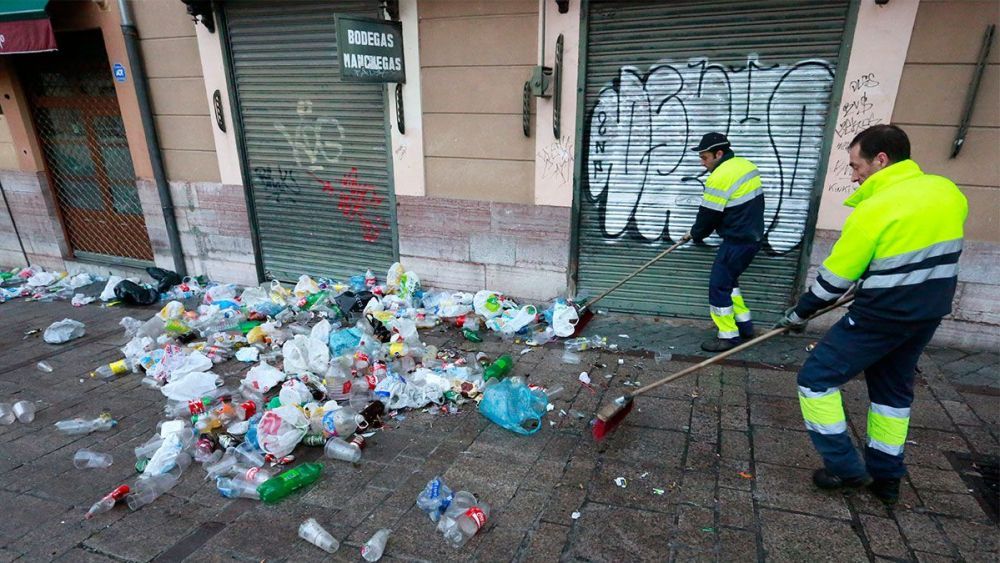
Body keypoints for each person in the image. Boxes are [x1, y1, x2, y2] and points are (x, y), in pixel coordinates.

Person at [775, 124, 968, 505]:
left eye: (855, 164)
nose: (853, 174)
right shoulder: (948, 192)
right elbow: (916, 252)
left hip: (881, 316)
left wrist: (799, 313)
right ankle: (887, 477)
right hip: (927, 314)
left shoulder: (875, 208)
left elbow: (834, 280)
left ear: (881, 159)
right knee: (892, 395)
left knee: (815, 380)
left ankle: (846, 467)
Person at [687, 132, 765, 352]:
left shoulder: (720, 176)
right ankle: (745, 326)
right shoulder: (745, 165)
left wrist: (696, 234)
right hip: (752, 238)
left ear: (719, 153)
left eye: (705, 158)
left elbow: (708, 215)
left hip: (737, 241)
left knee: (719, 286)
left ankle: (728, 337)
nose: (703, 163)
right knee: (729, 283)